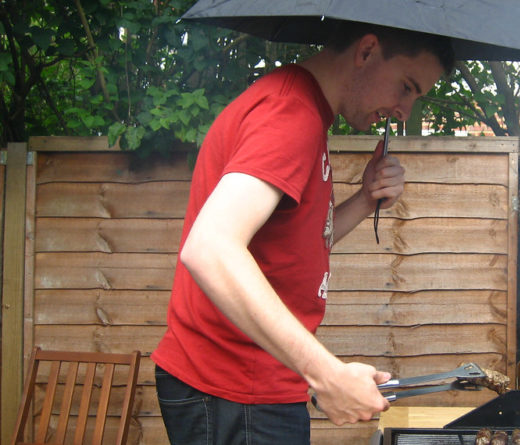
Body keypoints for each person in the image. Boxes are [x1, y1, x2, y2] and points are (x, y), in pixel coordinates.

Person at [150, 23, 455, 445]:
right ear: (367, 51)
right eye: (406, 86)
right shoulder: (290, 114)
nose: (405, 110)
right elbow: (210, 247)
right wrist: (327, 374)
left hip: (254, 383)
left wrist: (365, 200)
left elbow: (299, 243)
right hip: (235, 389)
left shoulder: (303, 110)